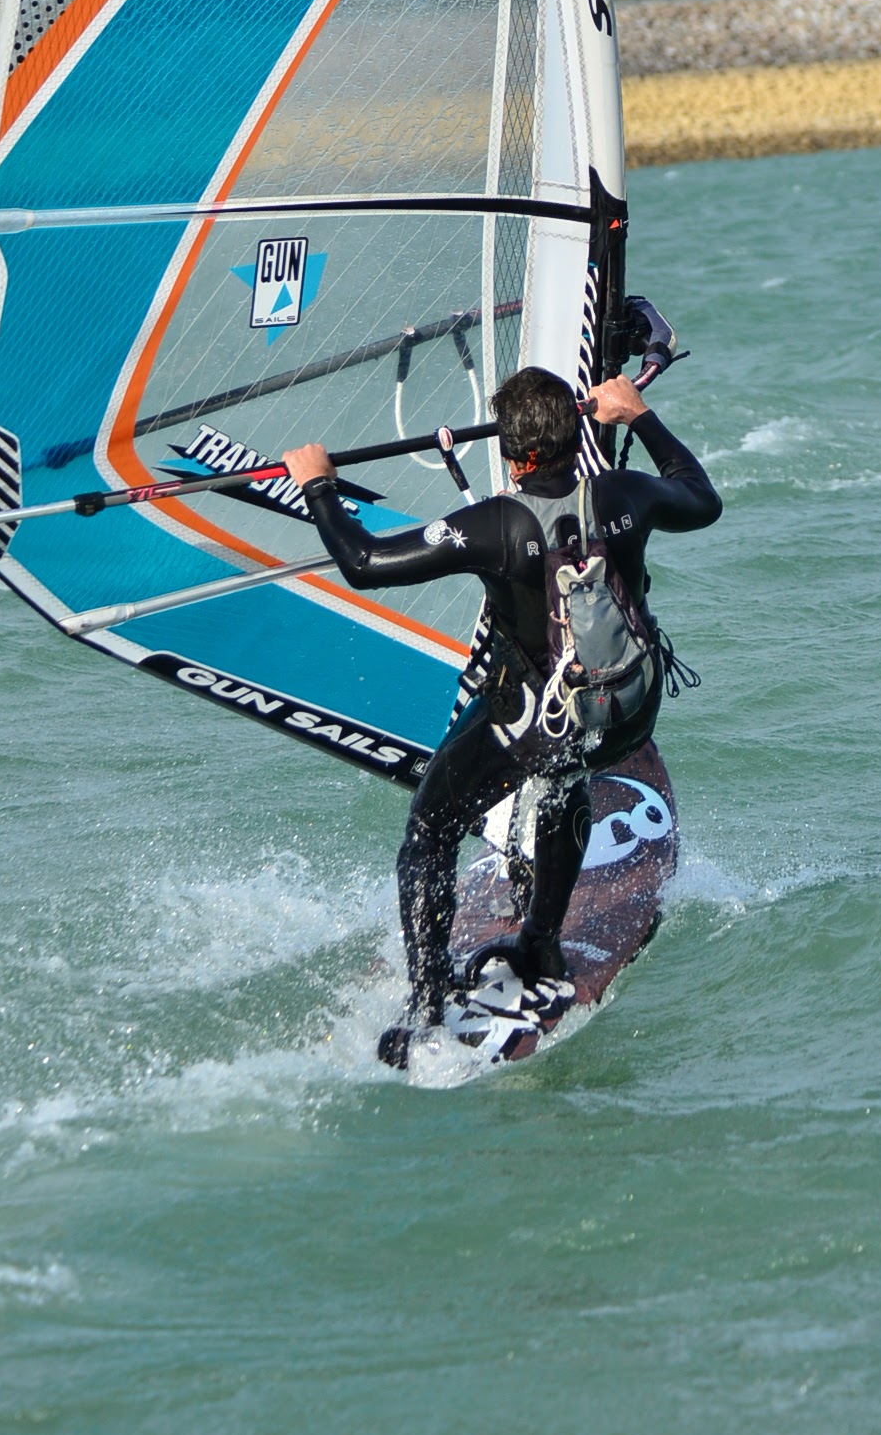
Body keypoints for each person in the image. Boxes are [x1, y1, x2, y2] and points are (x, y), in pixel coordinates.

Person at [283, 365, 720, 1066]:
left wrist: (318, 486)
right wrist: (637, 413)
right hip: (628, 714)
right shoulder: (625, 493)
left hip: (541, 721)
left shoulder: (495, 525)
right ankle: (540, 944)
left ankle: (427, 1004)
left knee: (432, 828)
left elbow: (364, 561)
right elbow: (702, 497)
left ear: (514, 459)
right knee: (566, 776)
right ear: (578, 436)